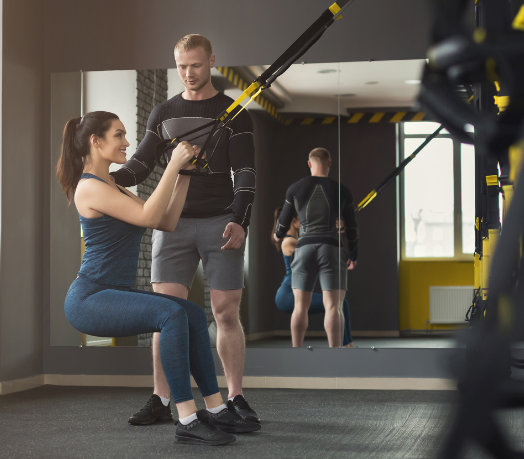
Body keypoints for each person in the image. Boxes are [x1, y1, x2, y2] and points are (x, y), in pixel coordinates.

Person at [57, 111, 259, 446]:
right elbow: (148, 214)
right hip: (89, 298)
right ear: (96, 142)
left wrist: (184, 176)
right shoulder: (88, 188)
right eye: (119, 135)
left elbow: (164, 221)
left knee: (192, 312)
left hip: (111, 292)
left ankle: (216, 408)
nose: (127, 142)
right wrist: (171, 164)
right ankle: (187, 418)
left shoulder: (113, 185)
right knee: (171, 314)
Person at [112, 34, 259, 424]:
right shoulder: (162, 113)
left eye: (195, 65)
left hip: (220, 221)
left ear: (212, 61)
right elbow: (139, 166)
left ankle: (235, 398)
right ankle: (162, 399)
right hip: (171, 224)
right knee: (165, 313)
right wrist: (101, 178)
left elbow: (245, 173)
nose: (188, 73)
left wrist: (240, 220)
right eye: (181, 66)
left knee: (225, 312)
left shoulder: (234, 113)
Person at [274, 148, 359, 348]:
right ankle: (335, 355)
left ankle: (297, 353)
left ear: (309, 163)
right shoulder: (342, 190)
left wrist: (278, 234)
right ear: (329, 163)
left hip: (304, 249)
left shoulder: (295, 188)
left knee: (299, 307)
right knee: (334, 307)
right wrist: (353, 254)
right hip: (332, 249)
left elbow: (284, 220)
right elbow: (352, 226)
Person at [272, 208, 354, 347]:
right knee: (338, 305)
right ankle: (346, 346)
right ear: (293, 220)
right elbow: (315, 251)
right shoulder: (289, 242)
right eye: (302, 218)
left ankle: (347, 345)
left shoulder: (298, 240)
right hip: (287, 294)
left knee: (341, 304)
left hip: (295, 290)